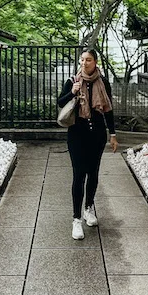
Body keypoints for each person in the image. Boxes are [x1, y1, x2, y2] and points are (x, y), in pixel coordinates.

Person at [57, 49, 118, 240]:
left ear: (95, 62)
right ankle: (76, 219)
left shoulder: (103, 82)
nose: (84, 63)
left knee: (93, 173)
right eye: (82, 60)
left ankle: (89, 207)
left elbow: (108, 109)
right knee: (78, 175)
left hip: (97, 135)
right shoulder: (72, 81)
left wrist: (113, 134)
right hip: (77, 134)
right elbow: (59, 102)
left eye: (88, 60)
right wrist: (72, 93)